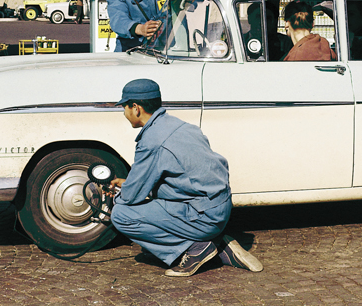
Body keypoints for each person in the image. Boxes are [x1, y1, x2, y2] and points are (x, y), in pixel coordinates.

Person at [107, 79, 263, 277]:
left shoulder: (152, 140)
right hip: (217, 207)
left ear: (136, 108)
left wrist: (116, 198)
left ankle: (196, 248)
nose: (124, 113)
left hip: (204, 216)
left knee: (121, 215)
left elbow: (131, 197)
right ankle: (216, 244)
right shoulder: (176, 125)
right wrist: (130, 184)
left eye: (124, 107)